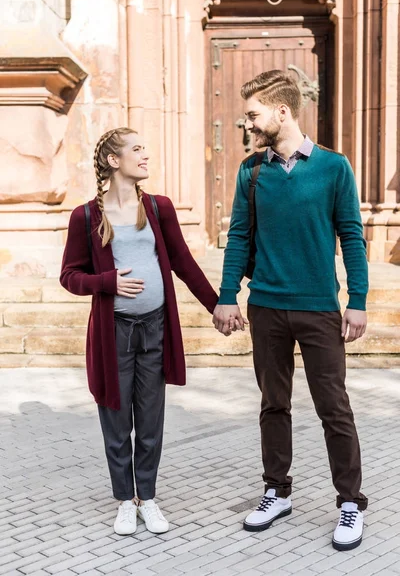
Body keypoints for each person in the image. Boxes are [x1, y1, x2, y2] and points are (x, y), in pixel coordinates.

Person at [213, 70, 368, 551]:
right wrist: (225, 294)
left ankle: (349, 502)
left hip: (320, 309)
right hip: (266, 307)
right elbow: (240, 235)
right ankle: (276, 491)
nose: (248, 124)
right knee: (273, 404)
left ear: (282, 111)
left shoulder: (334, 167)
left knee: (333, 408)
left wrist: (357, 301)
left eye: (253, 114)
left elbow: (352, 237)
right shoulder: (250, 171)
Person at [60, 127, 218, 536]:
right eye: (137, 149)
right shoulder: (86, 216)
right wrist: (106, 282)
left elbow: (183, 263)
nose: (145, 155)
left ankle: (146, 498)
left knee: (150, 420)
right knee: (115, 419)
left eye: (145, 148)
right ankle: (123, 501)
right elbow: (69, 276)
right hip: (113, 333)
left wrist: (218, 305)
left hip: (155, 330)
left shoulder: (159, 207)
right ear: (114, 161)